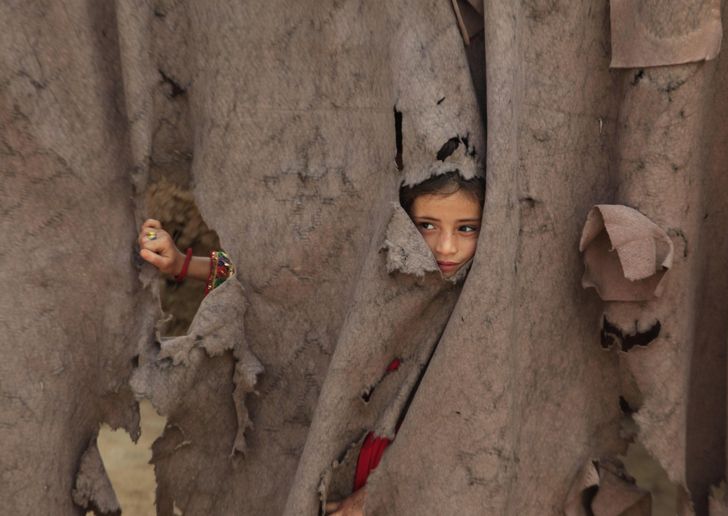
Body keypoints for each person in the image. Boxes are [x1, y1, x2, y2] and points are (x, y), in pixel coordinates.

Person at [137, 171, 485, 515]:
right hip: (350, 455)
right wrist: (182, 264)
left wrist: (373, 497)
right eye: (427, 225)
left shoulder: (484, 308)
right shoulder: (384, 272)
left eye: (467, 228)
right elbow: (279, 278)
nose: (446, 247)